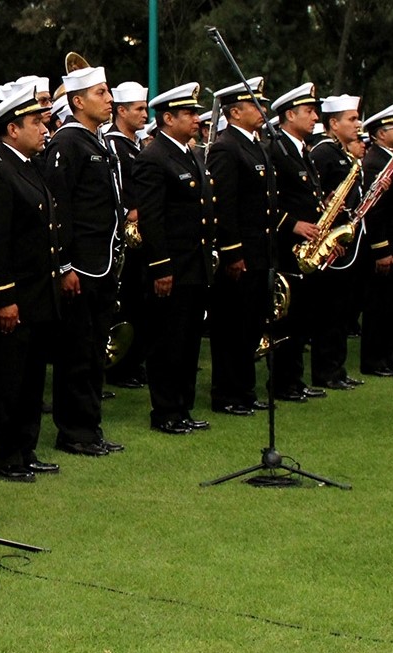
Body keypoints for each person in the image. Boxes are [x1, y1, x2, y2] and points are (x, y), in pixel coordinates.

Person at [0, 83, 62, 482]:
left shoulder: (27, 166)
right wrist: (3, 297)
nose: (44, 129)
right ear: (12, 129)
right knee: (6, 378)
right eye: (35, 123)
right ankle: (3, 453)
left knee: (30, 379)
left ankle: (25, 448)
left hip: (38, 295)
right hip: (14, 297)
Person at [43, 65, 124, 457]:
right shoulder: (68, 142)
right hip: (81, 265)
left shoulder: (96, 140)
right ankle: (74, 431)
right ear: (78, 101)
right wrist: (64, 264)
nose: (110, 99)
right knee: (76, 351)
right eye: (101, 93)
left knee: (93, 350)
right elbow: (59, 208)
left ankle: (90, 427)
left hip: (101, 261)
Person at [136, 82, 215, 433]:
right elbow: (152, 218)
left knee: (188, 341)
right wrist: (161, 266)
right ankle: (166, 411)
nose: (197, 119)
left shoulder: (189, 153)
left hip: (194, 264)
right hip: (172, 266)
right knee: (168, 340)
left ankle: (183, 407)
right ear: (168, 118)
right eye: (189, 113)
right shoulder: (154, 157)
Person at [206, 77, 277, 417]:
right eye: (254, 104)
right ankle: (227, 393)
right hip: (241, 253)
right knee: (232, 326)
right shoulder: (227, 147)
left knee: (251, 325)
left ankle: (245, 390)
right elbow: (224, 205)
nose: (262, 110)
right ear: (235, 112)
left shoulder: (256, 145)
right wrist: (232, 252)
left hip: (260, 250)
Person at [267, 82, 327, 403]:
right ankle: (282, 382)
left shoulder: (302, 150)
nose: (316, 117)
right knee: (287, 318)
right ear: (290, 115)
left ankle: (295, 379)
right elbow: (267, 201)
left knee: (303, 316)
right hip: (286, 246)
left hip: (308, 247)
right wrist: (292, 224)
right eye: (309, 111)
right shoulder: (276, 149)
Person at [307, 93, 365, 390]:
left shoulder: (342, 153)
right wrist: (327, 235)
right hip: (329, 243)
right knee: (329, 311)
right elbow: (315, 199)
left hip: (344, 241)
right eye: (351, 119)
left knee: (342, 310)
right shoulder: (324, 153)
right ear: (334, 123)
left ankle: (337, 369)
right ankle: (325, 371)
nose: (358, 124)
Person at [359, 103, 393, 378]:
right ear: (380, 133)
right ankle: (374, 360)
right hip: (387, 245)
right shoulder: (375, 162)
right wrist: (381, 249)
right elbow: (375, 210)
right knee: (379, 306)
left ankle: (389, 357)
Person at [103, 81, 150, 391]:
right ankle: (120, 366)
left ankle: (133, 361)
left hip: (142, 235)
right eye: (139, 109)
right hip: (125, 235)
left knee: (140, 302)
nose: (145, 114)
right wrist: (129, 212)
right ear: (121, 111)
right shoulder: (113, 144)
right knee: (127, 302)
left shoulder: (136, 144)